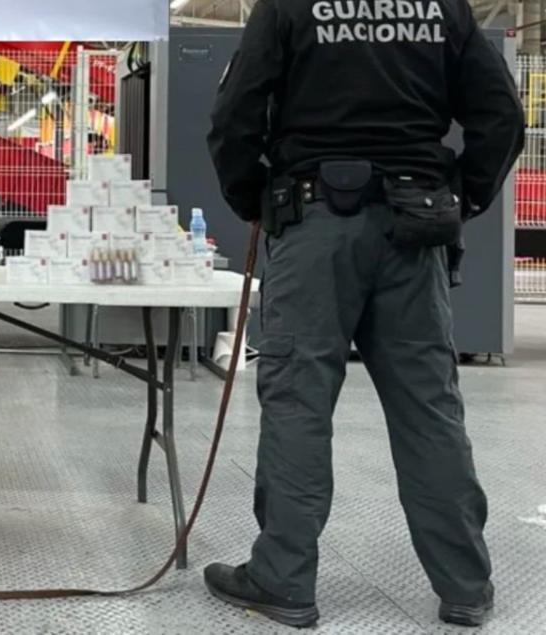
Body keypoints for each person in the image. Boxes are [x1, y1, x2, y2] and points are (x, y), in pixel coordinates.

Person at [205, 0, 525, 628]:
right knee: (429, 406)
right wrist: (465, 194)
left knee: (299, 400)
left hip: (315, 220)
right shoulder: (441, 8)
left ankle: (284, 579)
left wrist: (251, 196)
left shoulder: (289, 6)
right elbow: (502, 114)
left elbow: (234, 115)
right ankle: (465, 584)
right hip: (415, 222)